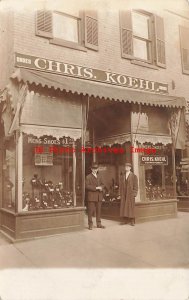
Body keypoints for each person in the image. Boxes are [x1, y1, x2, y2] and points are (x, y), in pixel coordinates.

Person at [85, 162, 105, 230]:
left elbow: (103, 184)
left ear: (97, 169)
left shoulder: (100, 176)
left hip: (99, 197)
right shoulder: (88, 177)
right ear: (91, 169)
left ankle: (98, 224)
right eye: (93, 169)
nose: (95, 170)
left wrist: (101, 187)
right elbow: (87, 186)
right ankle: (90, 224)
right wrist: (96, 188)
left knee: (99, 211)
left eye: (96, 168)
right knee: (90, 211)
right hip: (91, 197)